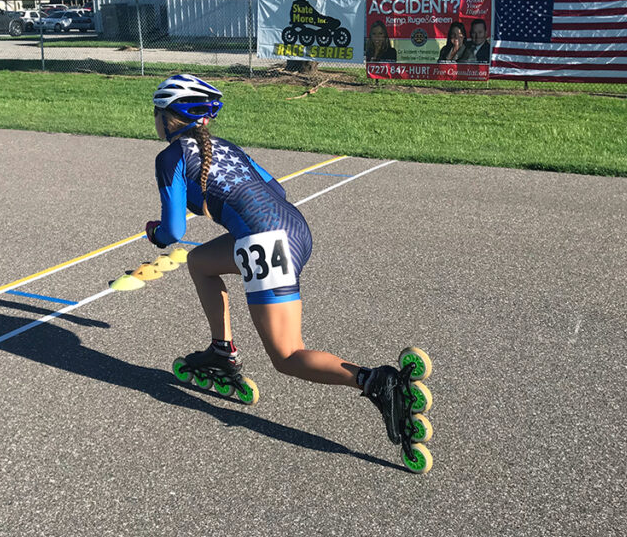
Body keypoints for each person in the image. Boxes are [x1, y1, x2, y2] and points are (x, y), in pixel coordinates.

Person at [144, 74, 429, 469]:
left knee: (287, 355)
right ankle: (222, 351)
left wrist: (155, 235)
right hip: (294, 227)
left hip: (265, 240)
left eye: (155, 113)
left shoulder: (170, 158)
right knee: (201, 263)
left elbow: (174, 230)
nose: (153, 120)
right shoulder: (225, 147)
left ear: (167, 117)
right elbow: (275, 189)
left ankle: (376, 381)